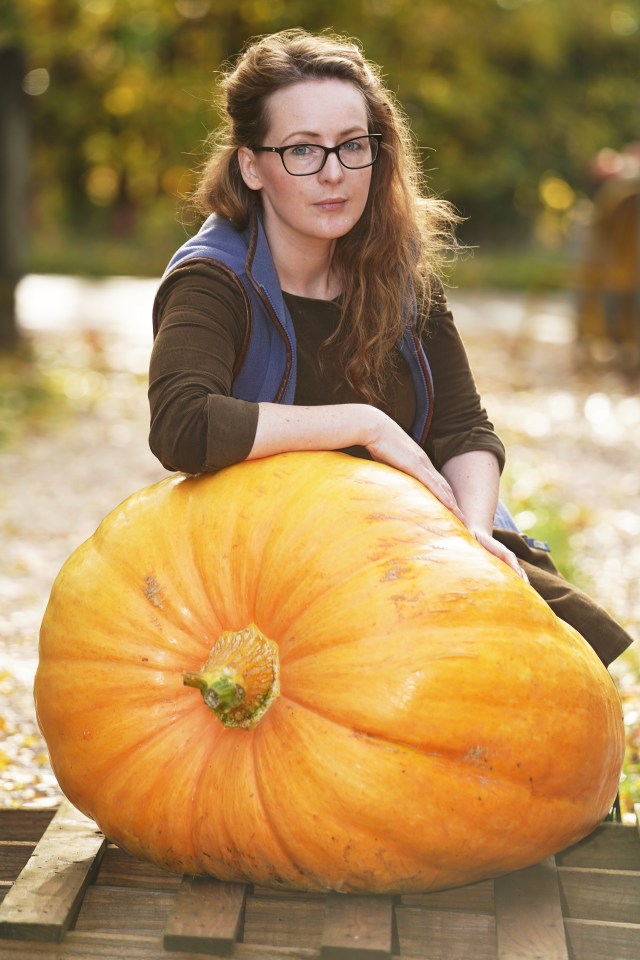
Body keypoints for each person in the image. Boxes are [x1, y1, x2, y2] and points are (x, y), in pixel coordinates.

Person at [148, 28, 633, 667]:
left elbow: (464, 430)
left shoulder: (397, 270)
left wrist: (473, 543)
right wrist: (363, 425)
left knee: (558, 668)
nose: (333, 174)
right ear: (251, 165)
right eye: (301, 150)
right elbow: (181, 424)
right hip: (277, 583)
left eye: (353, 146)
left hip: (418, 546)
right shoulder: (213, 281)